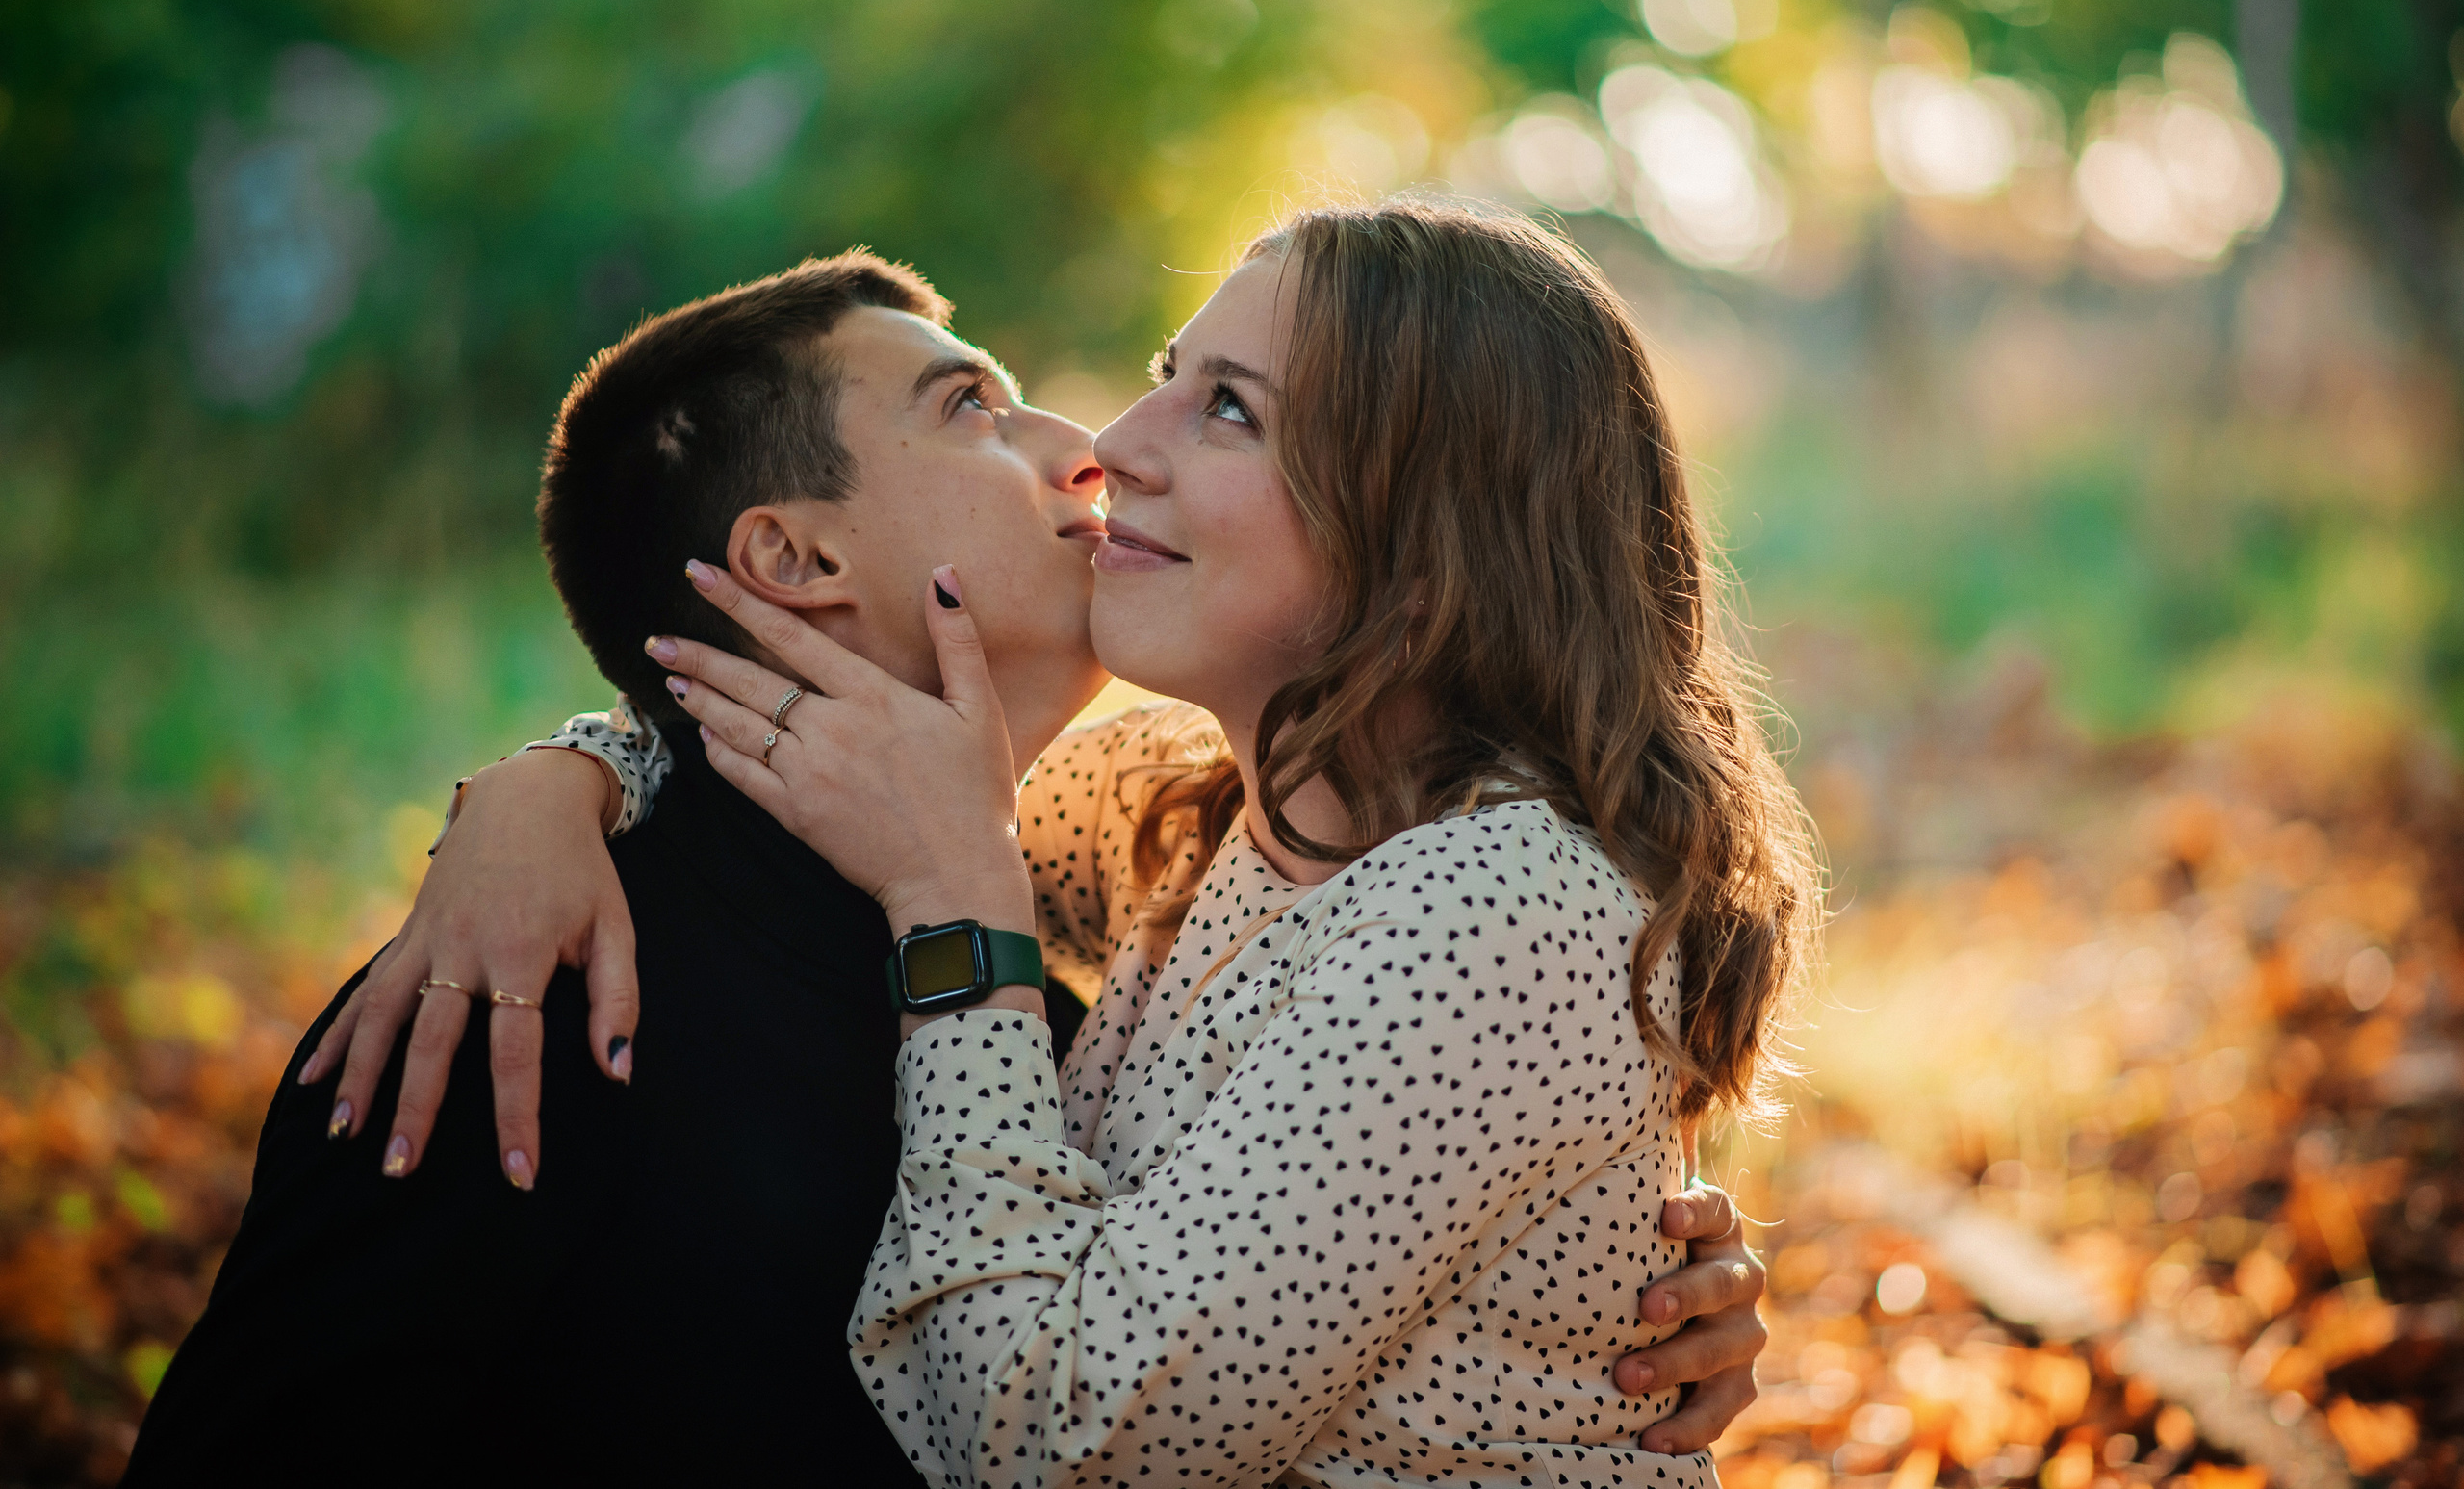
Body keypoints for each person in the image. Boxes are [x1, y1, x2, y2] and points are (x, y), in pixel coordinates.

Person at [345, 199, 1810, 1485]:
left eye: (1229, 410)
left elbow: (1064, 1445)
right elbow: (823, 770)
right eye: (1170, 377)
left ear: (1428, 545)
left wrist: (961, 922)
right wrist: (551, 784)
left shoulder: (1500, 907)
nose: (1113, 445)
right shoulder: (1207, 811)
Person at [125, 251, 1112, 1483]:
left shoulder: (1062, 1017)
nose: (1086, 448)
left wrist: (573, 761)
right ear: (795, 563)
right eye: (973, 407)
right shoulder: (522, 999)